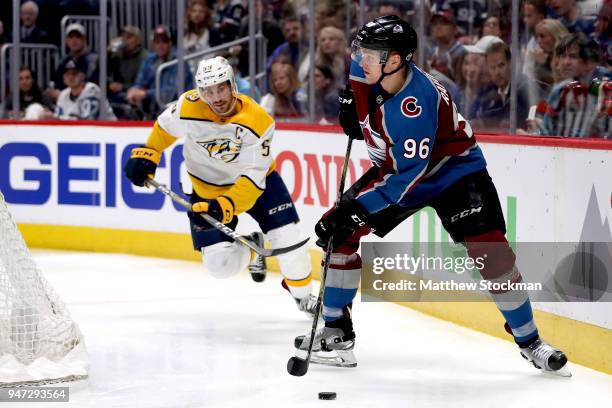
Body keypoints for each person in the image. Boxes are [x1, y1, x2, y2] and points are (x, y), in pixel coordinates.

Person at [294, 15, 569, 375]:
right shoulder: (366, 67)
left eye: (370, 53)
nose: (360, 59)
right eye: (360, 50)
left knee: (492, 254)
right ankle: (335, 331)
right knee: (340, 235)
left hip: (455, 172)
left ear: (395, 61)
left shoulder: (415, 105)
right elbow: (367, 114)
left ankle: (530, 341)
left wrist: (356, 209)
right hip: (402, 167)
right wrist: (353, 114)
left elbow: (405, 178)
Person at [124, 56, 317, 316]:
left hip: (259, 187)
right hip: (205, 190)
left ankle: (304, 298)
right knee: (219, 266)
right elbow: (164, 128)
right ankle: (252, 247)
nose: (216, 98)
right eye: (208, 91)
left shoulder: (258, 121)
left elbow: (252, 179)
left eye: (221, 88)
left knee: (290, 241)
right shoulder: (187, 107)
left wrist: (225, 206)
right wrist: (148, 153)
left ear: (232, 85)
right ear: (200, 91)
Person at [127, 26, 194, 119]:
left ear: (170, 43)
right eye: (157, 42)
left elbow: (170, 94)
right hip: (154, 110)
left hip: (178, 112)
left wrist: (145, 94)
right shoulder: (150, 60)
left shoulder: (179, 61)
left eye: (164, 42)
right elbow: (140, 82)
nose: (160, 45)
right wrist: (134, 90)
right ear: (153, 45)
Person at [51, 58, 116, 121]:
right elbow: (57, 119)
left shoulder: (92, 90)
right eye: (67, 74)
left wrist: (60, 118)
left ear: (83, 76)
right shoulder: (63, 94)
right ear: (64, 78)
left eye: (74, 73)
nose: (71, 77)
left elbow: (88, 120)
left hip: (108, 129)